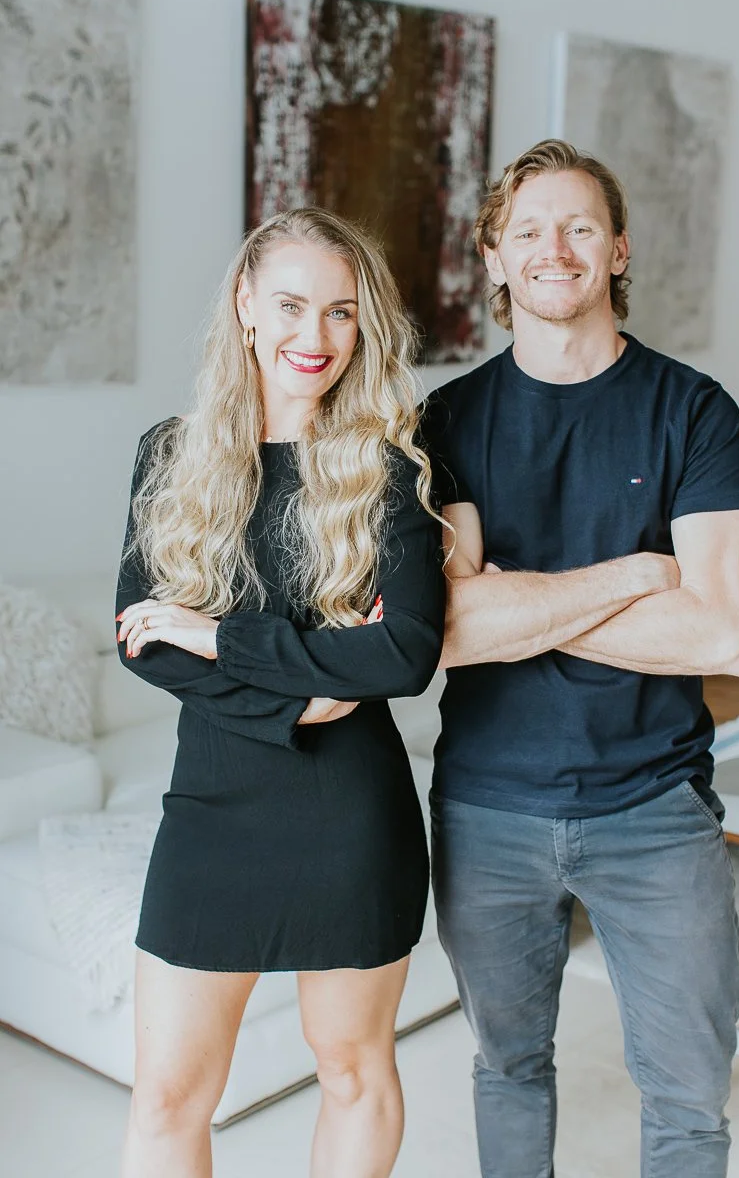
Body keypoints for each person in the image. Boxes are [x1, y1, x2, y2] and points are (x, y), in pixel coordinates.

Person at [420, 139, 739, 1177]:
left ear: (618, 249)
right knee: (507, 1069)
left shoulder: (694, 412)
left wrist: (516, 602)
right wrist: (636, 575)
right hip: (488, 808)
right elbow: (447, 632)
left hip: (655, 807)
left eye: (579, 227)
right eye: (526, 230)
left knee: (688, 1101)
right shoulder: (449, 420)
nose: (554, 249)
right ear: (493, 257)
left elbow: (723, 635)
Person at [114, 207, 445, 1178]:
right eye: (292, 305)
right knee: (167, 1096)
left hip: (349, 816)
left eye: (341, 312)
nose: (316, 336)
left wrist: (219, 635)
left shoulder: (388, 468)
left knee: (351, 1069)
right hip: (211, 805)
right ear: (246, 304)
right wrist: (299, 696)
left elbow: (403, 654)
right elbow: (143, 640)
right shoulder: (169, 454)